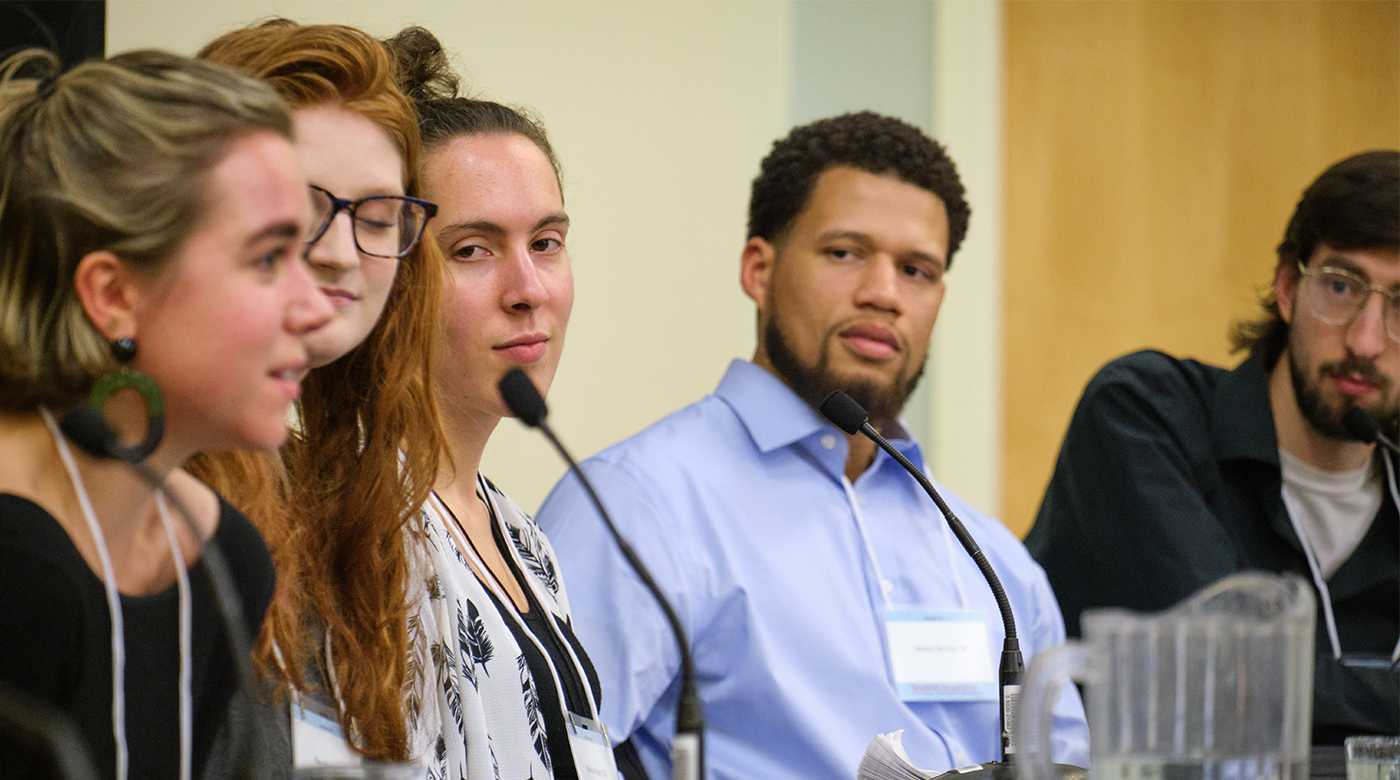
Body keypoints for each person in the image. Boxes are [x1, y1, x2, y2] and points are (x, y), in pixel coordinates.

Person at [535, 111, 1089, 780]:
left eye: (916, 270)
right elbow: (538, 761)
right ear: (758, 270)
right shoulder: (632, 507)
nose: (884, 293)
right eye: (845, 253)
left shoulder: (997, 566)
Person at [0, 48, 331, 779]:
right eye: (268, 259)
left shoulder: (217, 558)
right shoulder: (17, 566)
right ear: (114, 294)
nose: (313, 307)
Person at [1026, 150, 1400, 743]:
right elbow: (1221, 676)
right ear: (1286, 288)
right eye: (1339, 286)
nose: (1366, 339)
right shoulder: (1144, 414)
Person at [192, 20, 446, 766]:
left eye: (375, 218)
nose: (339, 254)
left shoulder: (344, 498)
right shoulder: (134, 484)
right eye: (303, 210)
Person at [383, 27, 610, 780]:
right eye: (473, 250)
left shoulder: (523, 537)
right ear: (387, 274)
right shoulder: (359, 523)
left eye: (546, 242)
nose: (528, 290)